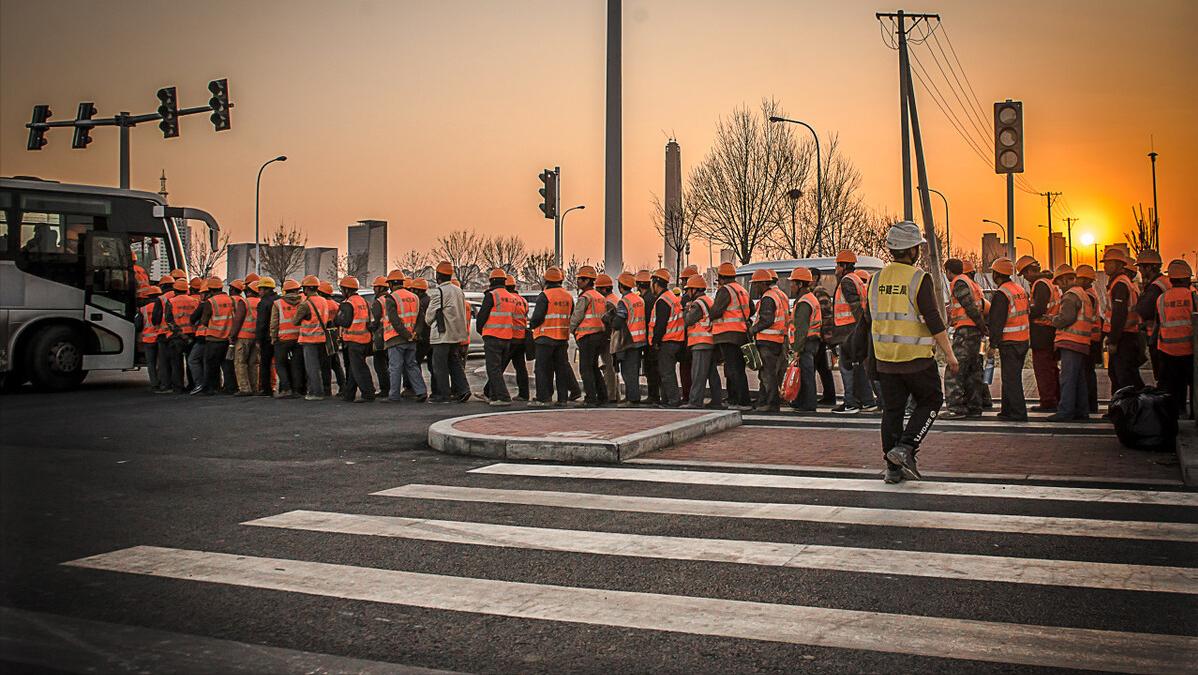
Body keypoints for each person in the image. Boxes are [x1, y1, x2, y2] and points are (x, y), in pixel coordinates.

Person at [863, 221, 958, 483]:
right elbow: (933, 319)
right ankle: (906, 447)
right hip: (916, 359)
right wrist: (949, 354)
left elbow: (869, 318)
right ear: (913, 250)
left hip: (885, 358)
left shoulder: (875, 280)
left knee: (892, 411)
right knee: (931, 401)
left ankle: (892, 469)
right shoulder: (918, 278)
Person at [941, 258, 988, 419]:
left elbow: (969, 306)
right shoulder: (972, 283)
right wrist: (981, 327)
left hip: (966, 331)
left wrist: (981, 325)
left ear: (948, 271)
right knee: (973, 370)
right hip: (974, 332)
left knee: (955, 369)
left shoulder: (959, 282)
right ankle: (974, 406)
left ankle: (956, 408)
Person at [831, 250, 876, 414]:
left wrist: (858, 331)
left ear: (844, 266)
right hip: (855, 330)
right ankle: (867, 401)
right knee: (859, 368)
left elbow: (855, 307)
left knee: (847, 367)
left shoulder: (846, 281)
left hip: (848, 331)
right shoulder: (856, 279)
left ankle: (851, 403)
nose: (836, 269)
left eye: (837, 265)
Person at [1049, 264, 1096, 422]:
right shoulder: (1082, 293)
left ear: (1064, 280)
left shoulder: (1070, 295)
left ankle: (1066, 411)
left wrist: (1053, 320)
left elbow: (1066, 318)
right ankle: (1082, 410)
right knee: (1079, 379)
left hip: (1071, 341)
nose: (1059, 287)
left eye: (1059, 283)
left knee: (1068, 378)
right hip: (1082, 342)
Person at [988, 257, 1031, 421]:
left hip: (1010, 342)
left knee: (1011, 379)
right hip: (1023, 340)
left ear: (996, 274)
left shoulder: (1002, 294)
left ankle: (1018, 413)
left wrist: (992, 344)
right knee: (1011, 376)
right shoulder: (1019, 290)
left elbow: (997, 322)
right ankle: (1007, 410)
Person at [709, 262, 753, 409]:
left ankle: (741, 401)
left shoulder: (725, 290)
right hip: (741, 334)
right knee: (738, 368)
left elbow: (715, 312)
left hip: (727, 335)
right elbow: (751, 309)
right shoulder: (742, 290)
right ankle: (735, 398)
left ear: (721, 278)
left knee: (733, 369)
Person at [425, 262, 471, 403]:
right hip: (456, 335)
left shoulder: (438, 292)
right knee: (454, 363)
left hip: (442, 335)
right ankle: (464, 390)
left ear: (438, 276)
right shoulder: (458, 291)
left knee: (440, 366)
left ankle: (444, 394)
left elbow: (429, 317)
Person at [1019, 256, 1060, 412]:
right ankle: (1056, 398)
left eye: (1025, 274)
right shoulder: (1049, 282)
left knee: (1043, 369)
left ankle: (1048, 401)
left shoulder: (1040, 284)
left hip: (1042, 331)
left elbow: (1039, 309)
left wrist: (1025, 311)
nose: (1025, 277)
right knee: (1051, 368)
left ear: (1030, 271)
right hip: (1050, 330)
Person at [1156, 259, 1196, 418]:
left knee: (1171, 386)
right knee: (1194, 385)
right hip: (1190, 349)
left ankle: (1173, 415)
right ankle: (1193, 415)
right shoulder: (1193, 296)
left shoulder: (1162, 298)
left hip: (1167, 350)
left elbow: (1159, 323)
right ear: (1186, 279)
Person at [529, 266, 574, 406]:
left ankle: (544, 398)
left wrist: (532, 326)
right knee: (561, 369)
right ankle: (562, 399)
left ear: (546, 280)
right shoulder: (568, 296)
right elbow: (571, 315)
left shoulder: (545, 295)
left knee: (542, 369)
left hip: (545, 337)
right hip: (562, 338)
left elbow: (537, 317)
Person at [1102, 248, 1145, 394]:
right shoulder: (1121, 282)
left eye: (1109, 263)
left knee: (1123, 378)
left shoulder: (1120, 284)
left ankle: (1127, 405)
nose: (1105, 266)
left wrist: (1113, 340)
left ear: (1119, 264)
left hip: (1124, 337)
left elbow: (1119, 314)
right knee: (1123, 375)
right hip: (1127, 335)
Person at [381, 270, 426, 403]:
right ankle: (421, 391)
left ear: (391, 284)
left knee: (395, 367)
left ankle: (394, 396)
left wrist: (406, 335)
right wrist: (415, 334)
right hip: (412, 339)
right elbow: (421, 318)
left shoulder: (391, 298)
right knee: (412, 365)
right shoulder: (414, 297)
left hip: (396, 338)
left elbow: (395, 321)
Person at [748, 269, 789, 412]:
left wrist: (752, 330)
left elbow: (767, 319)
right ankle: (763, 401)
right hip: (778, 339)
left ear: (763, 283)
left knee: (767, 374)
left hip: (768, 340)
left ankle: (771, 403)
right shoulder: (779, 295)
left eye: (756, 284)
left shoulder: (768, 297)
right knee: (768, 373)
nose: (755, 287)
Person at [329, 276, 374, 402]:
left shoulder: (348, 303)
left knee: (359, 369)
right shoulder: (363, 302)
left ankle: (368, 394)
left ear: (347, 290)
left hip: (353, 340)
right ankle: (349, 394)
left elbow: (344, 322)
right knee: (354, 368)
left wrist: (336, 319)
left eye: (342, 289)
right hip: (365, 339)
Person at [476, 268, 517, 406]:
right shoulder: (512, 298)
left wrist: (482, 331)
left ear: (492, 280)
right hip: (507, 337)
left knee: (493, 369)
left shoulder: (492, 295)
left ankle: (503, 397)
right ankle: (493, 395)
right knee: (498, 369)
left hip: (493, 336)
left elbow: (482, 316)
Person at [571, 266, 609, 406]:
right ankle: (602, 396)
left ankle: (590, 398)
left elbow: (577, 317)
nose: (578, 282)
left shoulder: (585, 297)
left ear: (587, 280)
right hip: (599, 335)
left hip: (587, 337)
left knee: (585, 369)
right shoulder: (600, 297)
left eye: (580, 279)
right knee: (594, 367)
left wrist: (571, 330)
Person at [649, 268, 685, 407]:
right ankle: (667, 400)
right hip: (676, 339)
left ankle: (673, 400)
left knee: (667, 373)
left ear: (656, 283)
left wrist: (655, 341)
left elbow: (661, 324)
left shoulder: (663, 300)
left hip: (668, 341)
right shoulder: (671, 297)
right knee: (667, 372)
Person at [291, 276, 331, 401]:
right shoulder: (323, 301)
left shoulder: (306, 304)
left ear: (307, 289)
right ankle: (323, 390)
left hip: (309, 339)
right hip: (322, 338)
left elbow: (295, 321)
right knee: (321, 367)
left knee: (312, 368)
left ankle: (316, 392)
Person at [963, 261, 995, 410]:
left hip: (973, 334)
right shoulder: (977, 288)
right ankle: (985, 398)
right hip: (981, 337)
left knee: (972, 367)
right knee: (978, 365)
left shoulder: (967, 288)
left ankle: (976, 400)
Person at [193, 277, 234, 396]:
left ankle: (211, 388)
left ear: (210, 289)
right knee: (226, 365)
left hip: (214, 338)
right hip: (227, 338)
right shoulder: (230, 299)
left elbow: (204, 320)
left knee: (211, 365)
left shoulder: (210, 302)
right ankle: (229, 387)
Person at [788, 267, 822, 412]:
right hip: (812, 341)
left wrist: (797, 349)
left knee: (806, 374)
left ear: (800, 284)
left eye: (793, 283)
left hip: (806, 342)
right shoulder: (809, 298)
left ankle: (808, 404)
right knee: (804, 373)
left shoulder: (804, 302)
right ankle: (801, 401)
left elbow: (801, 329)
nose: (791, 286)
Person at [611, 272, 647, 407]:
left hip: (628, 341)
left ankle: (632, 399)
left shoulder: (624, 301)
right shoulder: (639, 300)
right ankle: (632, 397)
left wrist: (611, 319)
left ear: (621, 286)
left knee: (627, 371)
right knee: (634, 371)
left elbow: (618, 322)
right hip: (639, 340)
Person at [1133, 249, 1169, 382]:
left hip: (1158, 337)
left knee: (1162, 378)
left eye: (1141, 267)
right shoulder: (1165, 282)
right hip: (1166, 336)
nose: (1139, 270)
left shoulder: (1155, 287)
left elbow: (1144, 310)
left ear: (1149, 267)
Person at [270, 279, 305, 398]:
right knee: (296, 365)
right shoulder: (303, 301)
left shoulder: (278, 303)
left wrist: (273, 337)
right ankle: (297, 390)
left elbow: (274, 323)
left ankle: (286, 389)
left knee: (280, 364)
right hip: (299, 338)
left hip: (283, 338)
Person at [1075, 265, 1103, 414]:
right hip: (1091, 337)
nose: (1076, 281)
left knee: (1087, 373)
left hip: (1089, 338)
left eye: (1078, 278)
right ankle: (1090, 404)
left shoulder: (1087, 296)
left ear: (1086, 280)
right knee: (1088, 372)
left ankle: (1089, 404)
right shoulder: (1090, 293)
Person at [808, 267, 837, 406]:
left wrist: (824, 335)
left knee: (815, 367)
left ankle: (812, 397)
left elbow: (826, 314)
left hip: (820, 336)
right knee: (823, 368)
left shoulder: (819, 292)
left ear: (814, 277)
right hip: (821, 335)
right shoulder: (815, 292)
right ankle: (829, 396)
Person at [163, 278, 198, 393]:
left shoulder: (171, 302)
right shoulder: (194, 301)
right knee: (191, 362)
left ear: (175, 290)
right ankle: (192, 385)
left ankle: (178, 387)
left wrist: (181, 334)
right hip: (192, 335)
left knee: (176, 363)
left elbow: (169, 321)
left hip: (177, 337)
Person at [635, 269, 661, 404]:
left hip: (649, 340)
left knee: (651, 369)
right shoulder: (652, 298)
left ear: (638, 284)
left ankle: (653, 396)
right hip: (652, 339)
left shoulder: (645, 300)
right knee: (653, 368)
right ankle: (656, 395)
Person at [504, 275, 531, 401]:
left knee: (499, 366)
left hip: (511, 337)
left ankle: (489, 391)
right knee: (520, 367)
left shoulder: (508, 299)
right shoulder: (523, 300)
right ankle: (524, 394)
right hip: (521, 338)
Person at [596, 274, 620, 403]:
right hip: (613, 339)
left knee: (608, 367)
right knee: (612, 368)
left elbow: (608, 322)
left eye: (598, 289)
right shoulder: (614, 299)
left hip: (609, 340)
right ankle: (615, 395)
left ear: (604, 289)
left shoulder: (608, 303)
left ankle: (610, 396)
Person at [135, 285, 164, 391]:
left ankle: (154, 384)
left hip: (148, 340)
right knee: (161, 362)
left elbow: (138, 325)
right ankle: (162, 381)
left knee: (151, 363)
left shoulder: (143, 309)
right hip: (160, 338)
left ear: (148, 296)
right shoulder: (163, 307)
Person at [254, 277, 279, 396]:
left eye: (260, 289)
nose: (259, 292)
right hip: (280, 337)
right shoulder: (279, 300)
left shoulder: (263, 303)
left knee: (265, 363)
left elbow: (261, 323)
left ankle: (266, 389)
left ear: (265, 289)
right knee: (280, 363)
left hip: (267, 338)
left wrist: (258, 339)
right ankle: (285, 387)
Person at [369, 276, 392, 397]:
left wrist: (369, 328)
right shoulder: (391, 298)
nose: (374, 289)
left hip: (380, 336)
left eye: (375, 287)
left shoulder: (378, 302)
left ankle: (385, 389)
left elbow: (375, 321)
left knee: (380, 365)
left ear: (380, 288)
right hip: (391, 336)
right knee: (389, 364)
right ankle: (392, 388)